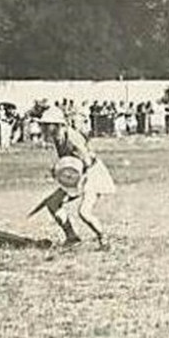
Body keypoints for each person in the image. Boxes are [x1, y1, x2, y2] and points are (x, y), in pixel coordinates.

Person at [35, 104, 115, 248]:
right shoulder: (57, 137)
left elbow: (87, 162)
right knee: (52, 203)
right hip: (76, 175)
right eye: (44, 125)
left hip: (92, 174)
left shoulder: (73, 138)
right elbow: (67, 160)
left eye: (47, 125)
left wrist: (67, 174)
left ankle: (104, 238)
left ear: (57, 124)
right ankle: (72, 237)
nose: (45, 128)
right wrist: (59, 171)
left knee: (84, 212)